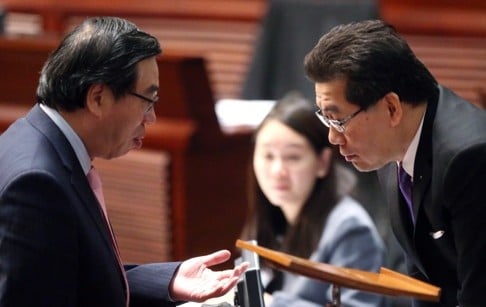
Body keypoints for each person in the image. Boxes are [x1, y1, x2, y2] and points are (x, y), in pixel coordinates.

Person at [0, 16, 248, 306]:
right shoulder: (37, 184)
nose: (151, 118)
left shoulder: (29, 137)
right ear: (98, 98)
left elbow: (69, 276)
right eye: (147, 100)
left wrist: (170, 278)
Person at [304, 19, 486, 307]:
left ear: (391, 108)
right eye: (325, 118)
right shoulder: (393, 141)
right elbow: (423, 280)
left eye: (338, 120)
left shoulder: (470, 159)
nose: (332, 137)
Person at [240, 92, 386, 307]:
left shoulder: (350, 227)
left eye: (293, 157)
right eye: (268, 156)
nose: (278, 170)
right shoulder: (270, 214)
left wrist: (271, 304)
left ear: (322, 162)